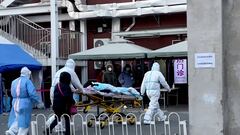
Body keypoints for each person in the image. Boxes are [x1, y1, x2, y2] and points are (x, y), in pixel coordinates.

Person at [5, 67, 44, 135]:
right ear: (28, 74)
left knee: (17, 119)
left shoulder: (14, 81)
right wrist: (39, 102)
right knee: (24, 122)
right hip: (24, 103)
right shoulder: (27, 81)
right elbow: (32, 93)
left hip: (15, 103)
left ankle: (11, 131)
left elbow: (12, 93)